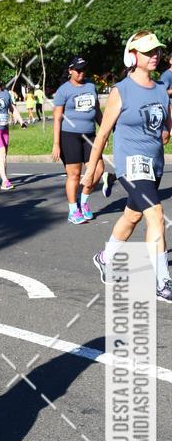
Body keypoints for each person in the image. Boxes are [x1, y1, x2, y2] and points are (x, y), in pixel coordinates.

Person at [82, 31, 172, 301]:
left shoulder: (161, 91)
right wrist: (90, 170)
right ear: (133, 56)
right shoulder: (121, 90)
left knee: (133, 216)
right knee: (156, 215)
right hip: (130, 163)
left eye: (157, 51)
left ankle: (105, 257)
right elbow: (102, 134)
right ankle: (162, 282)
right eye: (148, 52)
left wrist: (165, 130)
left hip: (154, 164)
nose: (155, 55)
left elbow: (165, 131)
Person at [52, 57, 104, 224]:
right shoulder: (63, 91)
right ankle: (73, 210)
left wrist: (103, 131)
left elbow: (96, 111)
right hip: (69, 136)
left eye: (83, 69)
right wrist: (56, 143)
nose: (81, 73)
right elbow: (57, 118)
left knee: (98, 170)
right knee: (74, 174)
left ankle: (84, 200)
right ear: (70, 71)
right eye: (78, 70)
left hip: (90, 135)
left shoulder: (91, 86)